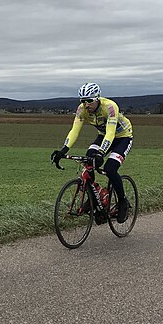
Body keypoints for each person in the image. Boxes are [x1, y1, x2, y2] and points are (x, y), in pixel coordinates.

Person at [50, 83, 133, 222]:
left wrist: (101, 153)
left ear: (97, 98)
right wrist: (63, 150)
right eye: (83, 101)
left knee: (110, 168)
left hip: (122, 137)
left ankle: (123, 201)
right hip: (103, 135)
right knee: (88, 160)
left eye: (89, 100)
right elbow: (74, 130)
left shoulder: (110, 107)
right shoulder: (82, 110)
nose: (86, 104)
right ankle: (94, 197)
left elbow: (111, 133)